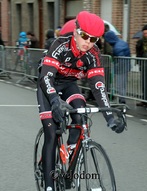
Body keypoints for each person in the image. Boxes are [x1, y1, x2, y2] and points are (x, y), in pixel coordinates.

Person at [37, 11, 126, 191]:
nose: (87, 42)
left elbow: (98, 86)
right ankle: (48, 185)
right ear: (76, 31)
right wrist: (54, 100)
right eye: (84, 35)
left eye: (93, 39)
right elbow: (46, 77)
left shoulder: (93, 54)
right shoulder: (60, 45)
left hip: (69, 85)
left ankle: (69, 155)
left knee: (80, 115)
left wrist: (109, 116)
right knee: (52, 133)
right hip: (49, 85)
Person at [104, 30, 131, 104]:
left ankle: (122, 100)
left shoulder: (117, 47)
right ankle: (122, 98)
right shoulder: (121, 43)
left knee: (120, 84)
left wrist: (115, 68)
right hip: (125, 66)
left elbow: (120, 59)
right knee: (123, 84)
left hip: (121, 68)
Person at [136, 24, 147, 107]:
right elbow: (138, 52)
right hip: (144, 64)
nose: (146, 35)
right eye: (144, 33)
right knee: (144, 82)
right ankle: (144, 99)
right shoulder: (140, 41)